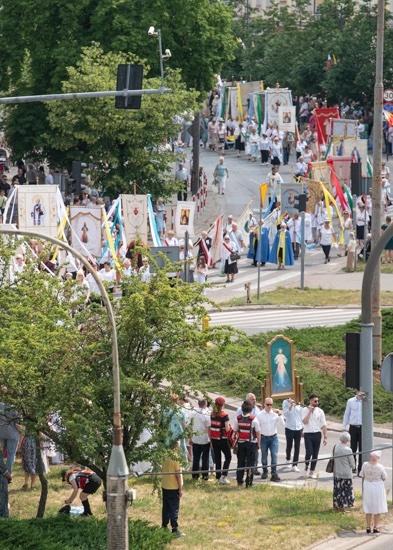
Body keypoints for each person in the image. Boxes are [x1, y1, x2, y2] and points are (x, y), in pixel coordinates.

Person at [233, 400, 260, 488]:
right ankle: (249, 483)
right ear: (250, 409)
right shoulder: (253, 418)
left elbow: (235, 430)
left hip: (241, 443)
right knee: (250, 464)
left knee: (240, 463)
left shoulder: (238, 418)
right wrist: (258, 444)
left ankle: (239, 481)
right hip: (251, 444)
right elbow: (258, 432)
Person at [256, 397, 284, 482]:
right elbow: (257, 428)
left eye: (271, 405)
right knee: (264, 456)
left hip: (273, 437)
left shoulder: (275, 414)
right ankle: (265, 471)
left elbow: (282, 424)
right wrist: (258, 440)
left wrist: (280, 415)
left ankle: (273, 473)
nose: (269, 406)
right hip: (264, 437)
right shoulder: (260, 415)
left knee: (274, 455)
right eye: (267, 404)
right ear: (264, 404)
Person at [360, 451, 388, 533]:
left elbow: (362, 474)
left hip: (368, 485)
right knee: (377, 506)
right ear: (378, 458)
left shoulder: (365, 464)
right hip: (378, 486)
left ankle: (368, 527)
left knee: (368, 506)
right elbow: (384, 477)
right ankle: (375, 526)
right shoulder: (380, 467)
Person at [161, 442, 185, 537]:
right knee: (174, 508)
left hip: (165, 485)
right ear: (177, 448)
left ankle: (164, 525)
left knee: (165, 507)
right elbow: (178, 475)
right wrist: (180, 489)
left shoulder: (164, 456)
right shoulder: (176, 459)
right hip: (173, 487)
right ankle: (175, 528)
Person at [302, 393, 328, 479]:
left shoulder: (320, 411)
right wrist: (310, 411)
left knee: (315, 454)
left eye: (317, 401)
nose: (317, 402)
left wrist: (325, 437)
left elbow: (323, 425)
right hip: (308, 434)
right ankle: (306, 464)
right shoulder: (304, 410)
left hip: (317, 434)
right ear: (310, 401)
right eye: (315, 401)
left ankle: (312, 471)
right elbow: (304, 422)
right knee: (309, 452)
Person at [236, 393, 261, 475]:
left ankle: (254, 468)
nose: (255, 401)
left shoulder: (257, 409)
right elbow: (237, 424)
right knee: (243, 459)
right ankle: (246, 474)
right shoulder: (240, 410)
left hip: (252, 438)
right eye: (253, 399)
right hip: (243, 439)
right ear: (247, 400)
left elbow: (258, 427)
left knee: (254, 456)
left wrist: (258, 441)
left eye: (255, 399)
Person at [209, 397, 231, 484]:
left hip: (214, 439)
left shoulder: (212, 414)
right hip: (223, 439)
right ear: (223, 405)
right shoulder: (224, 416)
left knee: (218, 458)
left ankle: (218, 477)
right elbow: (227, 429)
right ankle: (223, 476)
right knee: (228, 456)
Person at [332, 432, 355, 512]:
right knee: (345, 491)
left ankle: (336, 505)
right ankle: (343, 507)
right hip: (345, 473)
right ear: (348, 440)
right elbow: (352, 463)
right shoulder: (348, 450)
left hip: (337, 471)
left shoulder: (336, 447)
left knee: (337, 489)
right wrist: (354, 467)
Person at [188, 399, 211, 482]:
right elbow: (209, 429)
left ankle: (195, 476)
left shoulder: (192, 413)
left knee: (196, 458)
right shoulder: (207, 414)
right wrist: (211, 441)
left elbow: (190, 426)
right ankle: (205, 476)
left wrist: (190, 437)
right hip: (205, 439)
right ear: (206, 404)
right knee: (205, 458)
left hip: (195, 438)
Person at [342, 390, 363, 474]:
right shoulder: (350, 401)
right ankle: (353, 466)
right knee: (353, 448)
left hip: (362, 428)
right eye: (359, 390)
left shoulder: (365, 402)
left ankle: (360, 468)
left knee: (362, 449)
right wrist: (344, 426)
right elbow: (347, 414)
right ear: (356, 391)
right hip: (353, 427)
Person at [282, 397, 303, 472]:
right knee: (289, 445)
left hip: (298, 427)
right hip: (289, 427)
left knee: (297, 446)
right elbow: (286, 414)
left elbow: (301, 416)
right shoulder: (285, 402)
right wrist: (291, 405)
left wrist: (302, 428)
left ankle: (295, 464)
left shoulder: (299, 402)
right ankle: (288, 459)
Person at [0, 402, 20, 475]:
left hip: (1, 432)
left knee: (0, 454)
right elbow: (17, 421)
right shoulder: (13, 407)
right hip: (12, 433)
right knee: (11, 454)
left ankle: (1, 471)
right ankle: (8, 472)